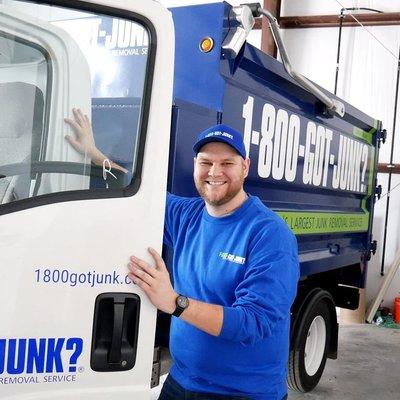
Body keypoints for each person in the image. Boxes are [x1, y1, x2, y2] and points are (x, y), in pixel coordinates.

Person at [65, 112, 299, 399]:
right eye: (206, 163)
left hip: (242, 393)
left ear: (245, 167)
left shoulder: (269, 233)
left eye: (227, 163)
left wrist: (175, 303)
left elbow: (253, 322)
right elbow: (137, 193)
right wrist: (95, 155)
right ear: (195, 166)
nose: (215, 172)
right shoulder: (185, 215)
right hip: (181, 382)